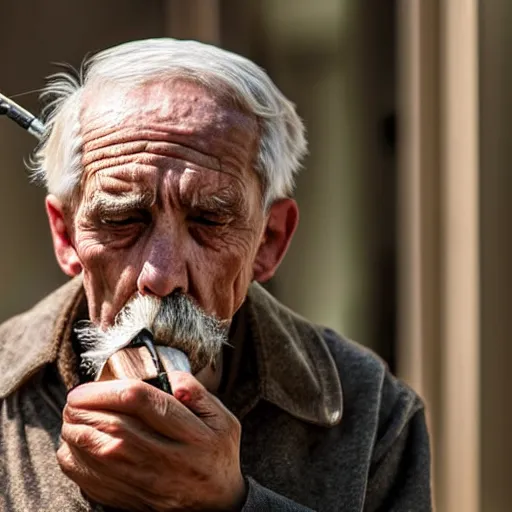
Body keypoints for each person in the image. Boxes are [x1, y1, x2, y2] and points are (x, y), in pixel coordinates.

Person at [0, 39, 431, 511]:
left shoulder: (373, 414)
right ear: (66, 236)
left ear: (268, 242)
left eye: (209, 221)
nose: (162, 278)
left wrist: (227, 501)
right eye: (123, 220)